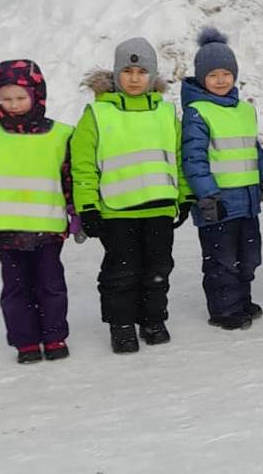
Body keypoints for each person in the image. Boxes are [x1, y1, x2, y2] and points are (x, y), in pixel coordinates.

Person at [71, 39, 189, 353]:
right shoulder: (97, 114)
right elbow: (82, 165)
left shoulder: (165, 113)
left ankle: (152, 319)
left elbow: (178, 157)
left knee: (158, 269)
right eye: (127, 71)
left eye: (141, 71)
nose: (134, 78)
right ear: (115, 74)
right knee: (121, 271)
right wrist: (87, 207)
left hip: (159, 209)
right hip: (117, 211)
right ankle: (121, 323)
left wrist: (185, 196)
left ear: (152, 75)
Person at [0, 60, 78, 364]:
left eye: (20, 97)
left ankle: (54, 337)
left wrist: (77, 211)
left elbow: (71, 178)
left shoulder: (61, 135)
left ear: (37, 95)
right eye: (6, 98)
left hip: (49, 229)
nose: (13, 105)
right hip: (7, 231)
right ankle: (25, 342)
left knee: (51, 286)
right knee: (16, 289)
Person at [181, 28, 263, 330]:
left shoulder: (243, 109)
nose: (221, 80)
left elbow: (252, 150)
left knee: (248, 256)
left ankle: (241, 299)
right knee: (221, 260)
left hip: (248, 201)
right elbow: (194, 158)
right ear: (201, 78)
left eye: (227, 73)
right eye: (213, 75)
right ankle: (224, 309)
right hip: (218, 204)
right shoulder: (197, 112)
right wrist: (207, 194)